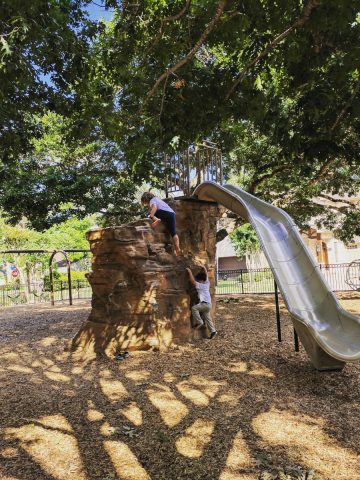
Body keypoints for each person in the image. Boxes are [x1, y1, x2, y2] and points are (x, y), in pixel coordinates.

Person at [141, 192, 181, 256]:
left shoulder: (152, 200)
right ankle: (177, 249)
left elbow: (155, 207)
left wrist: (151, 215)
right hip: (172, 214)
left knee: (150, 214)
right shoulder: (158, 199)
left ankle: (156, 219)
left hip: (164, 213)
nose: (147, 204)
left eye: (146, 202)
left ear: (146, 199)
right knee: (173, 233)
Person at [186, 265, 217, 339]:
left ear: (201, 280)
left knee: (194, 308)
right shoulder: (207, 283)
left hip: (204, 305)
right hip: (209, 305)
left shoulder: (200, 286)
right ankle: (213, 331)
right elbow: (206, 276)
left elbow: (193, 281)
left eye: (198, 280)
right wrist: (204, 268)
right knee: (208, 318)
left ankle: (199, 322)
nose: (198, 281)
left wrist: (190, 272)